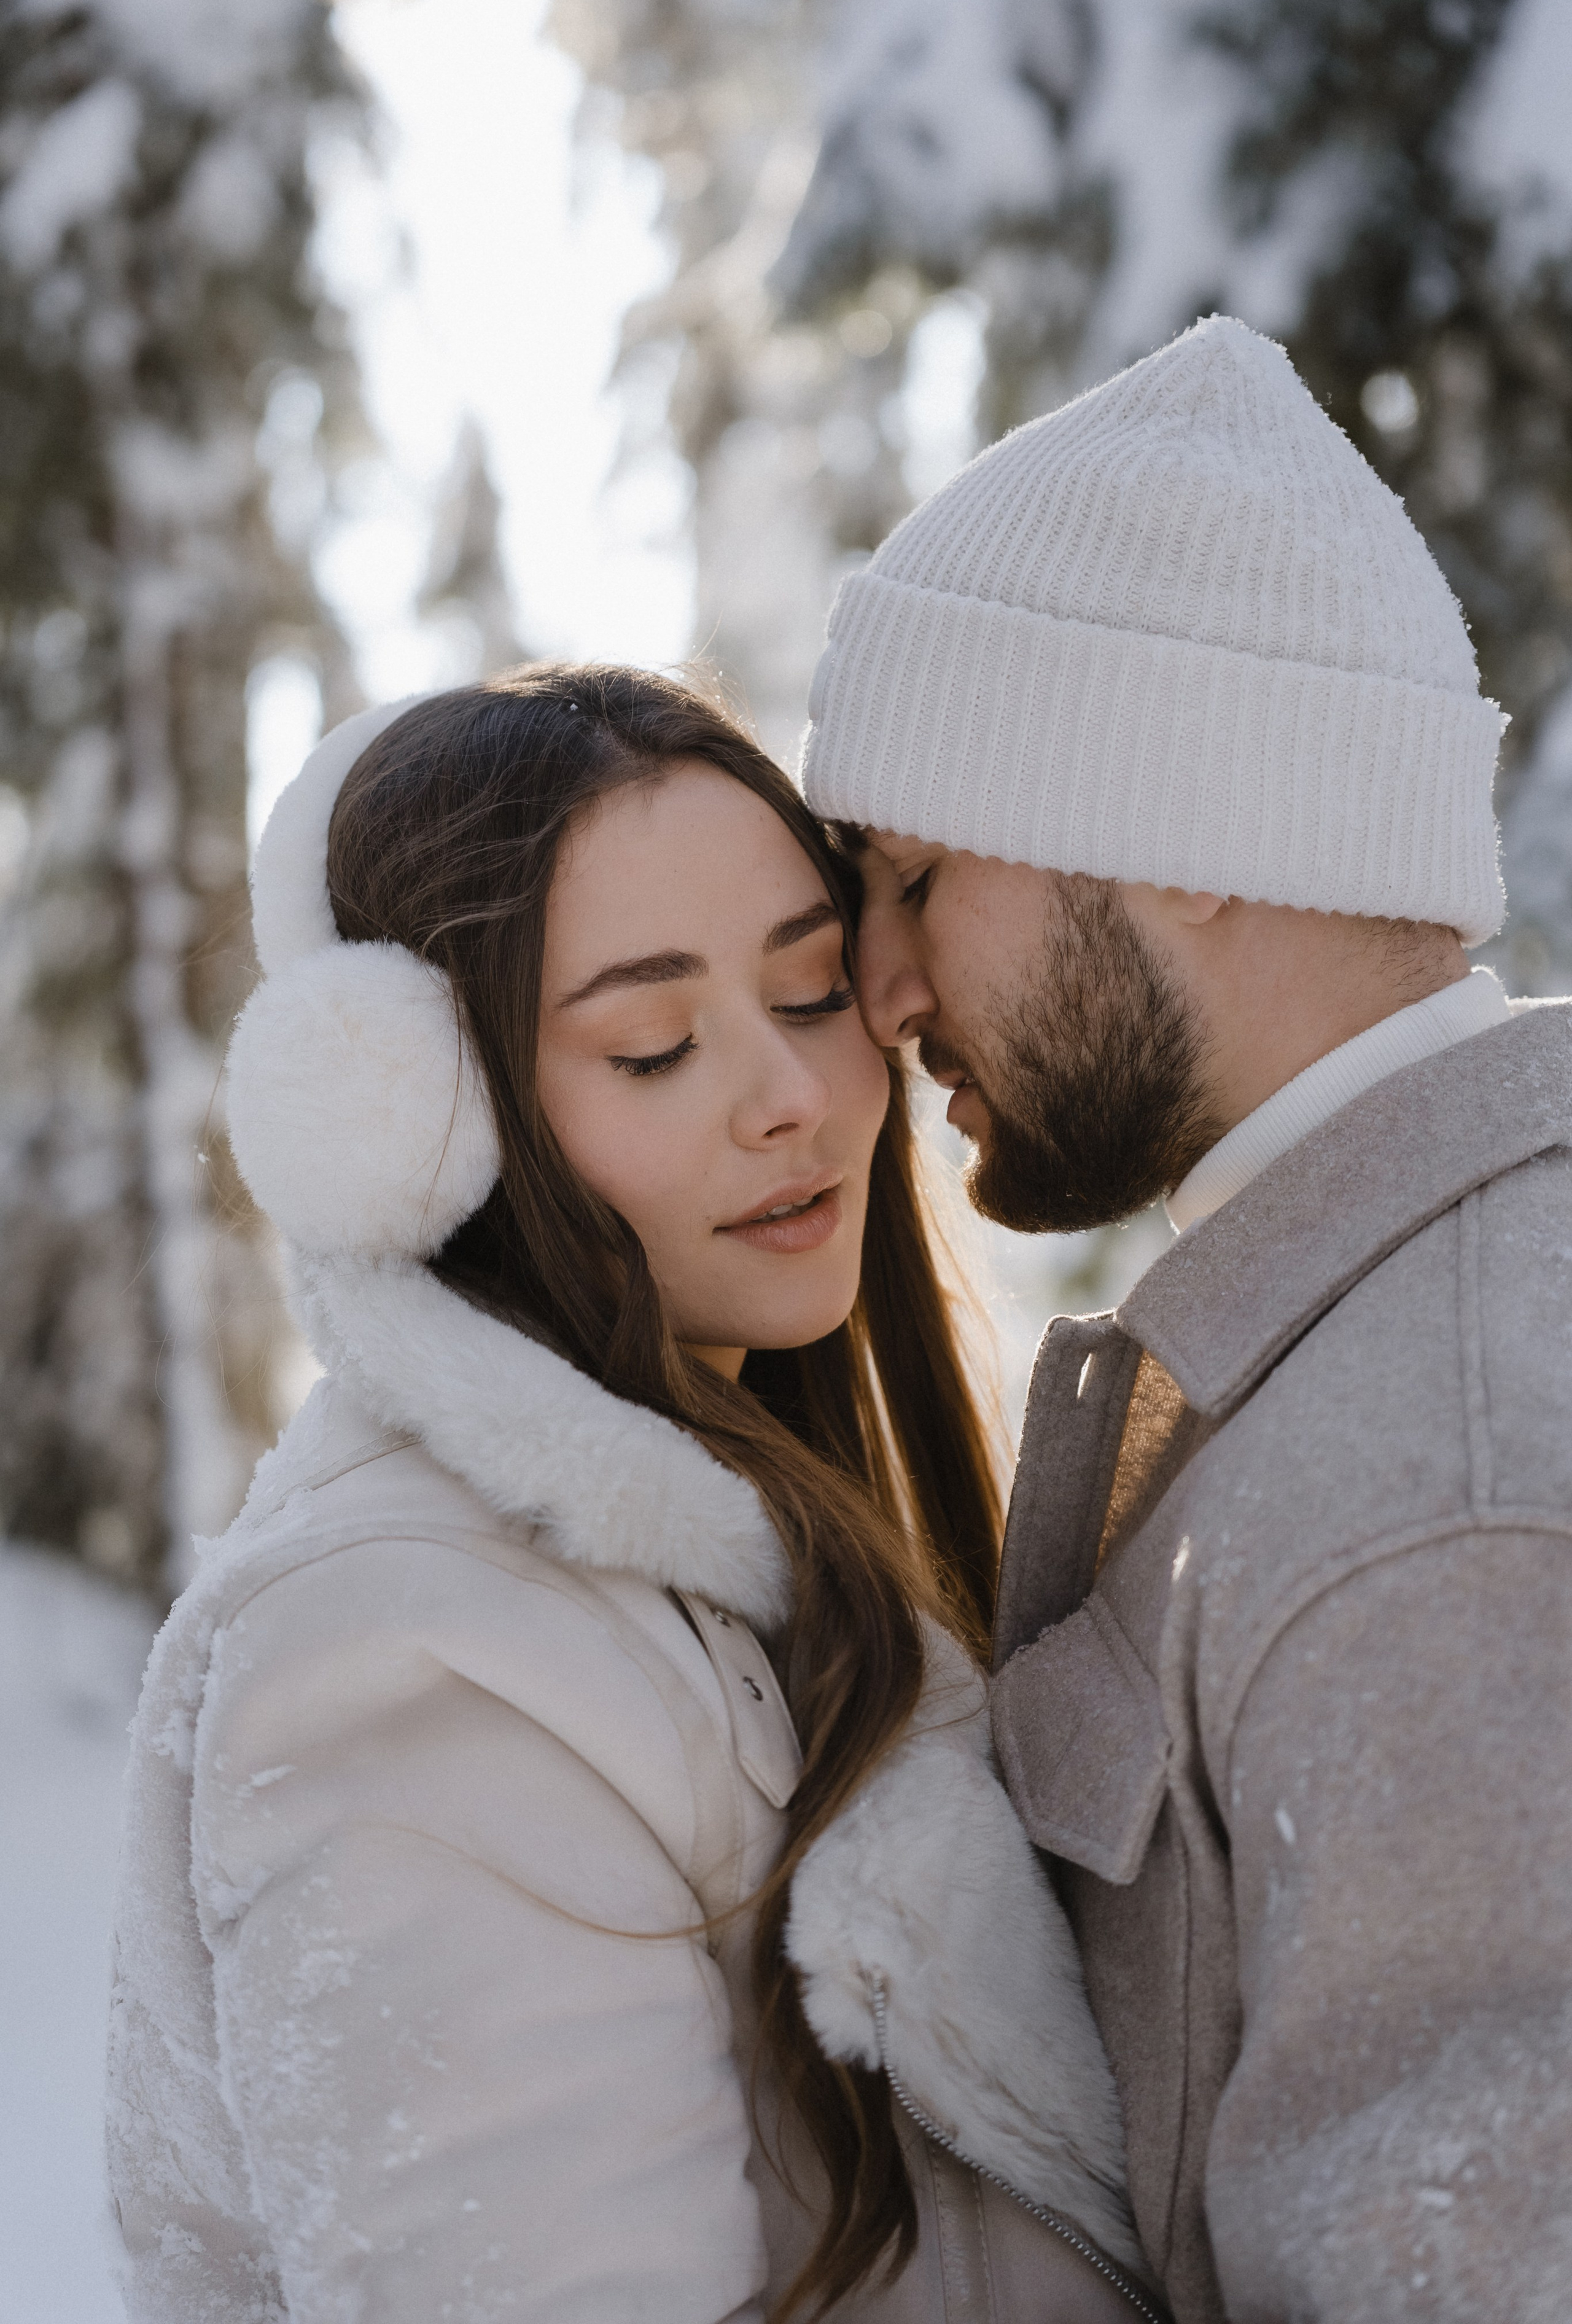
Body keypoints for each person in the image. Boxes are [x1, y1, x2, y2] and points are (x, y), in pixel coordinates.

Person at [106, 666, 1159, 2324]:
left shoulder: (762, 1550)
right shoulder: (416, 1650)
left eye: (812, 996)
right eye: (655, 1045)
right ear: (437, 1123)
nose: (791, 1098)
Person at [802, 315, 1572, 2323]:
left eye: (916, 873)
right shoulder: (1372, 1350)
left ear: (1188, 828)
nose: (879, 991)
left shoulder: (1449, 1495)